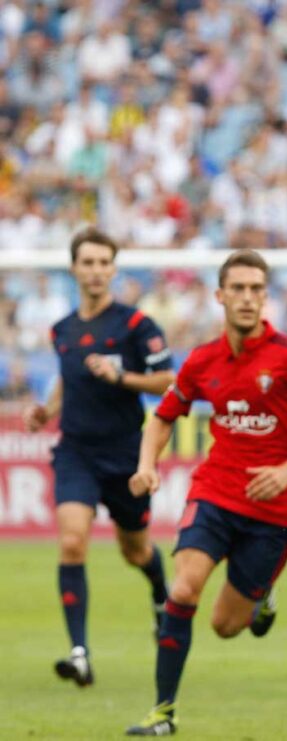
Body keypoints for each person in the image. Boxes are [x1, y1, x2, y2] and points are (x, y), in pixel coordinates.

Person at [124, 250, 287, 736]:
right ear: (220, 296)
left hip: (274, 510)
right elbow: (162, 416)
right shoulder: (203, 360)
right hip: (216, 493)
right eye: (238, 289)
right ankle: (163, 712)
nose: (247, 298)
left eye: (256, 290)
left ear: (265, 297)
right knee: (182, 590)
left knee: (225, 626)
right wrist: (146, 465)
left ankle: (262, 599)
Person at [22, 227, 175, 687]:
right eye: (86, 262)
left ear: (113, 268)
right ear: (74, 268)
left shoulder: (134, 325)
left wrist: (121, 375)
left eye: (102, 262)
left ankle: (159, 594)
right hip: (75, 451)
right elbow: (70, 379)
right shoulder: (62, 329)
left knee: (136, 550)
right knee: (72, 542)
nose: (94, 270)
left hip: (126, 454)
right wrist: (46, 410)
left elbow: (166, 380)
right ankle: (80, 653)